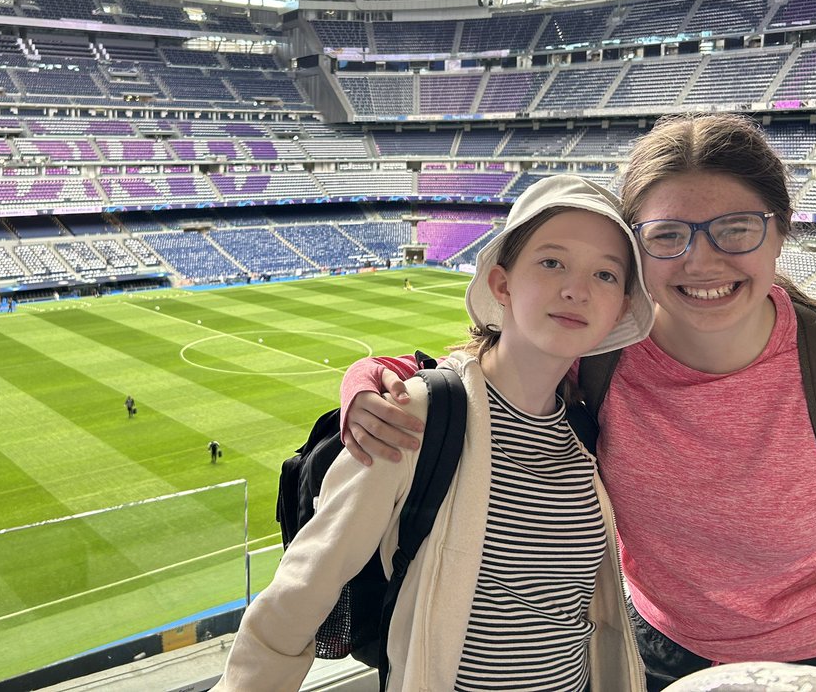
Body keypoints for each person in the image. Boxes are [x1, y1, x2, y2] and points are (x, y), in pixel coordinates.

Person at [338, 114, 816, 690]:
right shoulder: (598, 353)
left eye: (736, 228)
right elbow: (471, 370)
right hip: (659, 656)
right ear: (635, 251)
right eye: (668, 235)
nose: (701, 262)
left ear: (779, 232)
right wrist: (368, 380)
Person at [216, 175, 655, 692]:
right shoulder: (416, 414)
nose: (576, 289)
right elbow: (300, 592)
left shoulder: (585, 432)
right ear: (502, 283)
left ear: (622, 306)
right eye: (552, 261)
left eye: (605, 275)